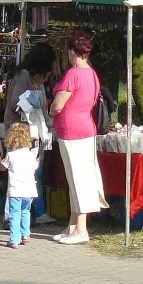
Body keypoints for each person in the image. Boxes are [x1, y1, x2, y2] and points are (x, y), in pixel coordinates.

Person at [49, 29, 108, 245]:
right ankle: (72, 226)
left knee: (78, 180)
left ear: (73, 51)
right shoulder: (92, 73)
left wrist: (50, 111)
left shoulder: (73, 74)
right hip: (86, 128)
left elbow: (58, 105)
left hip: (72, 131)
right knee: (77, 179)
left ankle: (81, 229)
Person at [4, 42, 57, 225]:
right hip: (21, 132)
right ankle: (19, 215)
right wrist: (33, 100)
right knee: (25, 173)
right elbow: (15, 103)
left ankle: (34, 212)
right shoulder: (24, 76)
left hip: (31, 132)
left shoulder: (34, 79)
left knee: (33, 173)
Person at [0, 123, 39, 249]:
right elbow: (35, 167)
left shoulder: (11, 155)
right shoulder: (30, 155)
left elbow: (2, 167)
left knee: (14, 214)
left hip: (16, 189)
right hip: (29, 190)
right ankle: (25, 234)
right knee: (25, 212)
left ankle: (14, 239)